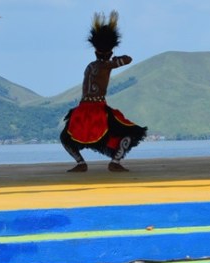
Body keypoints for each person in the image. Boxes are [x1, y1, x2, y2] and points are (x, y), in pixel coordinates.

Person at [60, 11, 147, 172]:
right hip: (98, 109)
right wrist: (113, 59)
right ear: (110, 52)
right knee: (132, 132)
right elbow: (128, 59)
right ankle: (115, 162)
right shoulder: (106, 65)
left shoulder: (90, 66)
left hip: (80, 110)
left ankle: (81, 163)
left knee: (66, 138)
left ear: (95, 51)